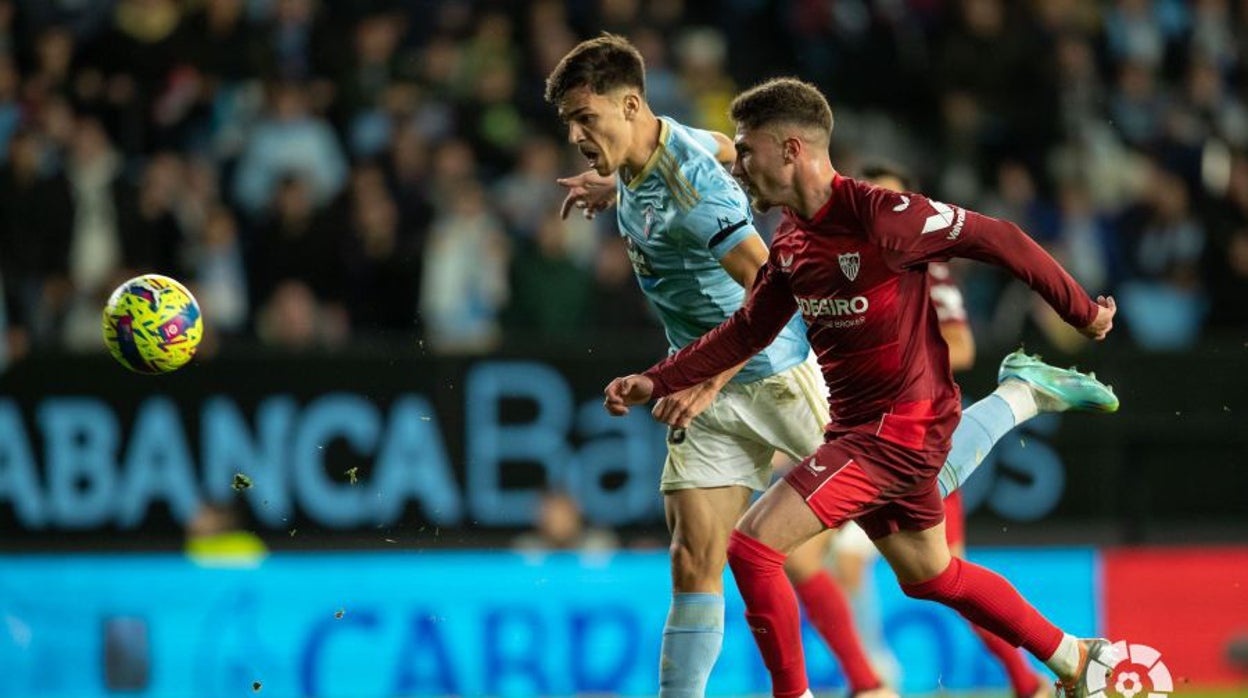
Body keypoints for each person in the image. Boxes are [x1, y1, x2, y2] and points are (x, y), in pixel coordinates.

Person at [554, 38, 1117, 698]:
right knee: (927, 574)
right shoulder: (790, 235)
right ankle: (1075, 658)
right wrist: (662, 377)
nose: (739, 164)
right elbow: (745, 322)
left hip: (854, 414)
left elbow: (1004, 239)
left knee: (758, 547)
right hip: (846, 422)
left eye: (748, 149)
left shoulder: (881, 216)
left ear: (790, 150)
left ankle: (838, 685)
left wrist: (1082, 312)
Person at [853, 162, 1051, 698]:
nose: (882, 215)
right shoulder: (842, 265)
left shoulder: (925, 267)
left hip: (915, 434)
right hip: (856, 433)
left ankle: (1022, 681)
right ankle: (870, 677)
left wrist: (896, 360)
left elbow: (960, 345)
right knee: (836, 560)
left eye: (892, 201)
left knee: (947, 580)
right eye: (872, 201)